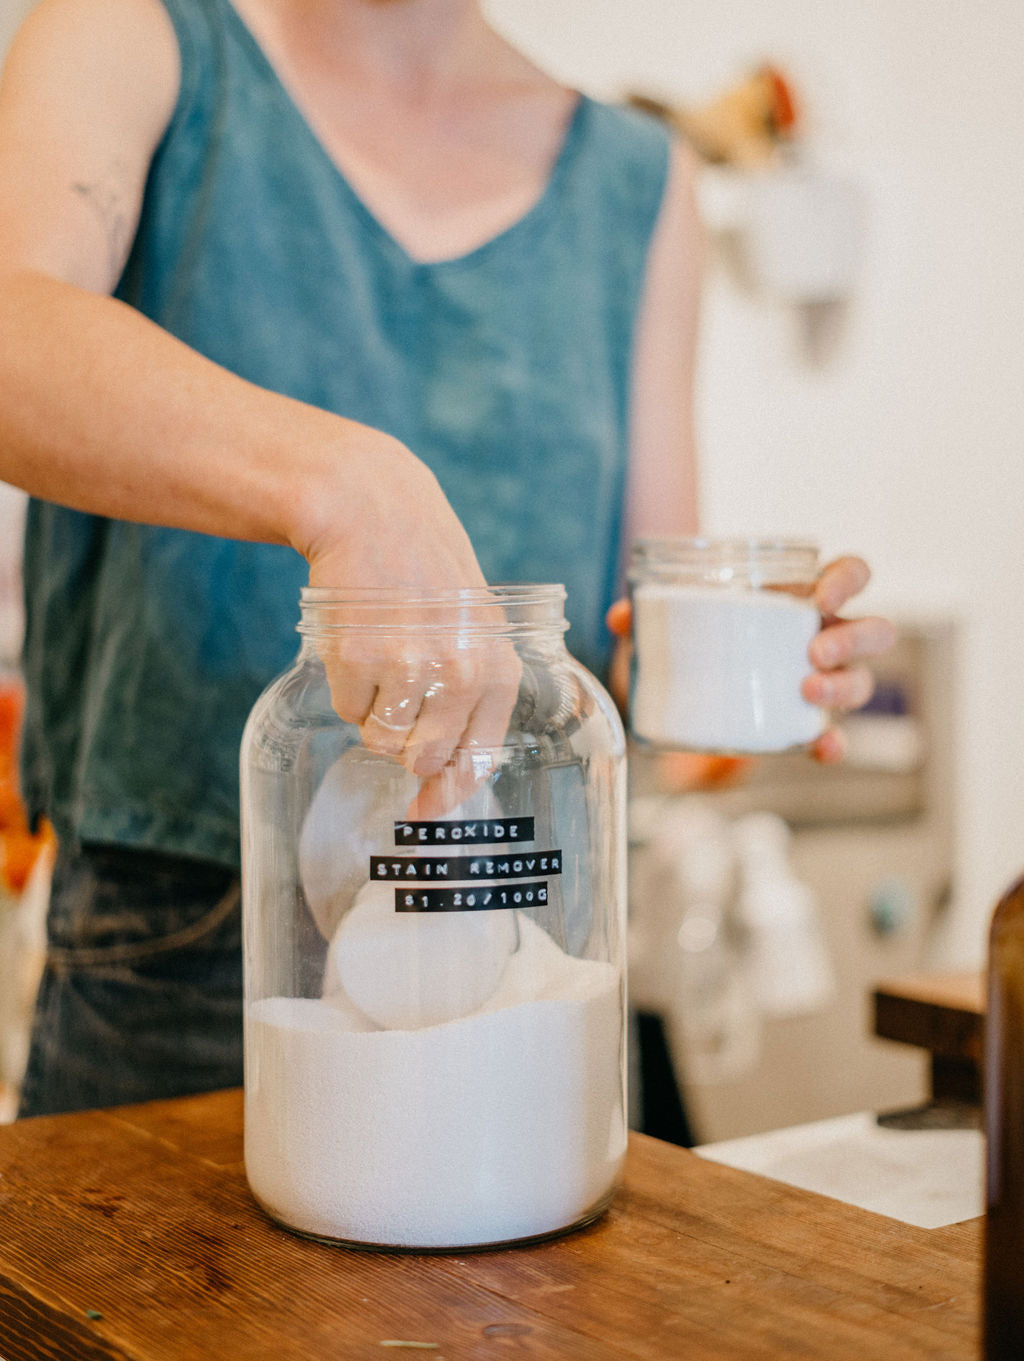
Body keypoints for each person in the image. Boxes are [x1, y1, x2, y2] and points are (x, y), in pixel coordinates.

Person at [0, 0, 894, 1117]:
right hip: (185, 948)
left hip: (523, 944)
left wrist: (760, 663)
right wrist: (345, 486)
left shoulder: (636, 182)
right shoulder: (133, 33)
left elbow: (627, 655)